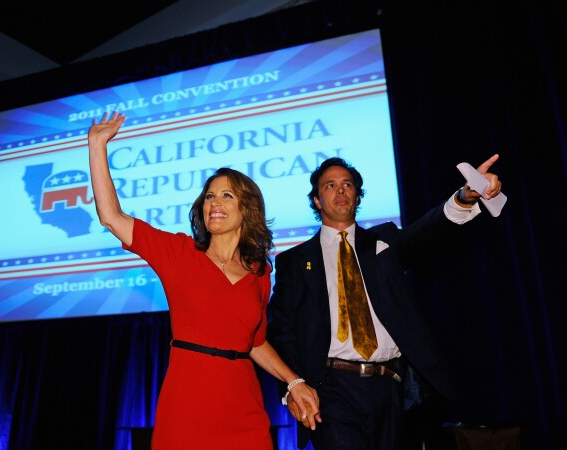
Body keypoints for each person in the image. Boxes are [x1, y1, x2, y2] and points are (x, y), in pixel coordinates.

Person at [88, 111, 321, 450]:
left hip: (244, 405)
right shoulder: (179, 252)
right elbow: (111, 217)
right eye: (210, 195)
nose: (215, 203)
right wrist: (97, 145)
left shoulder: (260, 271)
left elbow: (254, 343)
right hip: (188, 401)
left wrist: (294, 381)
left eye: (227, 196)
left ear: (247, 209)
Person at [266, 155, 503, 449]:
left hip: (389, 386)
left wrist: (464, 197)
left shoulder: (385, 241)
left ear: (357, 195)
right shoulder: (294, 261)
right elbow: (282, 330)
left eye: (347, 184)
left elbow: (425, 233)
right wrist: (291, 388)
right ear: (316, 200)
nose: (340, 191)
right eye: (330, 185)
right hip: (329, 387)